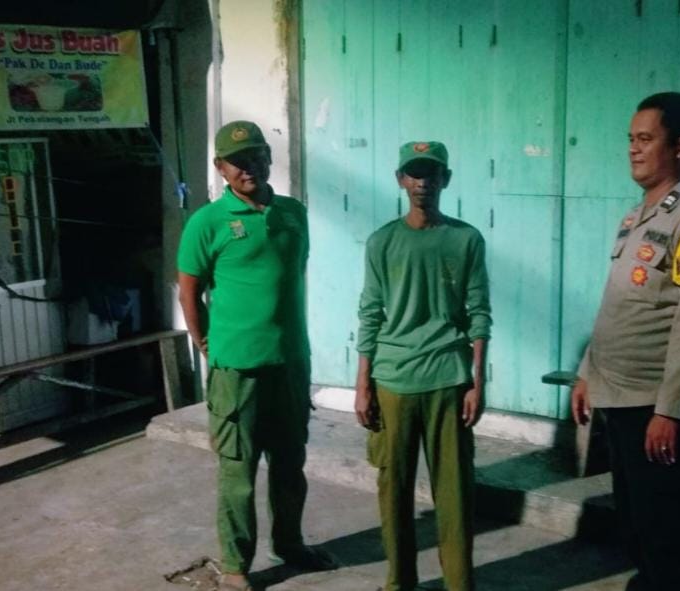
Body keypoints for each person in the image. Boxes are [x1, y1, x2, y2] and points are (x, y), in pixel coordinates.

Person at [570, 92, 680, 591]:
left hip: (656, 411)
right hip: (623, 402)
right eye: (631, 139)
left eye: (645, 139)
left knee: (674, 543)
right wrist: (587, 372)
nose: (633, 149)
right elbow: (617, 304)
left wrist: (671, 413)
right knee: (640, 532)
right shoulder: (638, 216)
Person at [177, 120, 336, 591]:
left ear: (269, 157)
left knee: (290, 463)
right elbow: (189, 291)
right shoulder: (206, 222)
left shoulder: (293, 213)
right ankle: (234, 565)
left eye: (257, 156)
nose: (249, 167)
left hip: (289, 364)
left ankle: (290, 544)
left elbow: (293, 274)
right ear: (220, 167)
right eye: (237, 161)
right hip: (237, 370)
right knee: (239, 472)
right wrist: (204, 341)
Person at [355, 141, 491, 591]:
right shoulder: (382, 242)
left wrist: (478, 382)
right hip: (392, 382)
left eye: (431, 174)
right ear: (400, 180)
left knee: (454, 495)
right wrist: (363, 385)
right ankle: (400, 582)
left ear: (445, 180)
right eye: (413, 174)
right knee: (393, 493)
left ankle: (459, 583)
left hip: (448, 381)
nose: (422, 183)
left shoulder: (466, 239)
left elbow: (479, 313)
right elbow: (370, 314)